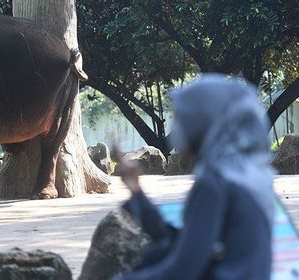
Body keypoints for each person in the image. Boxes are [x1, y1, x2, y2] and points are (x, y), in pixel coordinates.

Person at [114, 74, 275, 280]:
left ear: (205, 123)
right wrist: (136, 190)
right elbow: (181, 242)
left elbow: (181, 271)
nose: (177, 129)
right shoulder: (248, 176)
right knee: (156, 254)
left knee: (150, 260)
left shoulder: (215, 184)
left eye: (185, 119)